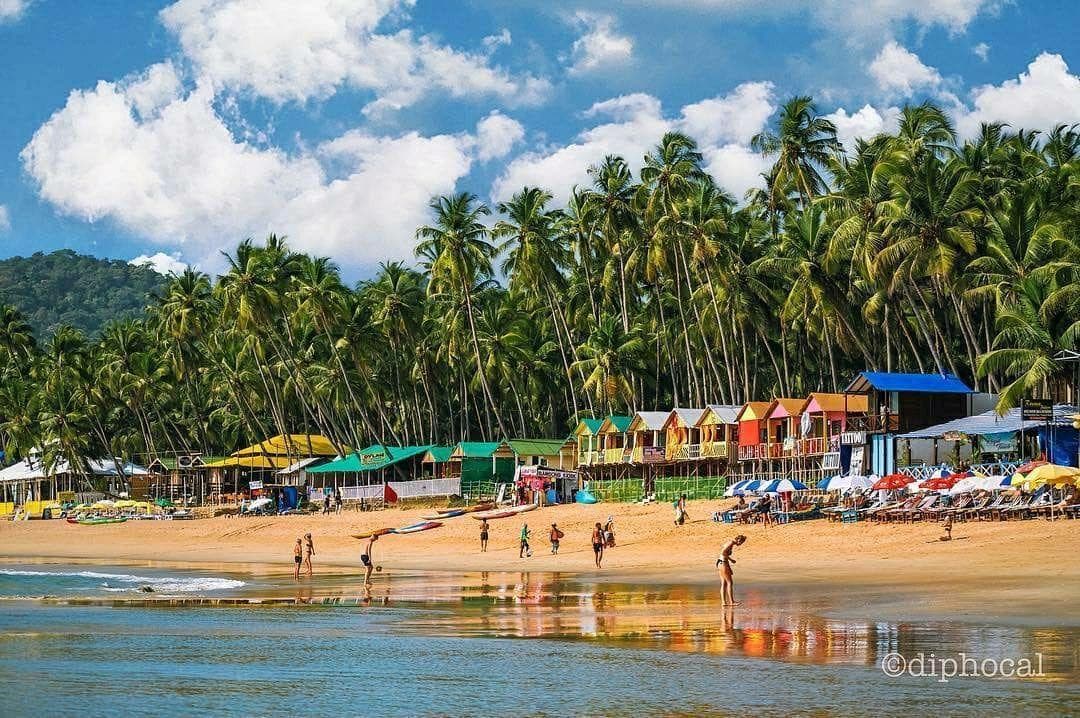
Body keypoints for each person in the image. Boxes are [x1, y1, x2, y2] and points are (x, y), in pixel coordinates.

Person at [717, 534, 747, 606]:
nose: (740, 544)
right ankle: (731, 602)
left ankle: (724, 602)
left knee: (724, 583)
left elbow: (723, 552)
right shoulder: (731, 543)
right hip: (723, 563)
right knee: (730, 582)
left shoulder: (730, 543)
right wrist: (731, 559)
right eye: (741, 542)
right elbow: (722, 552)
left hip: (720, 562)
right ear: (739, 540)